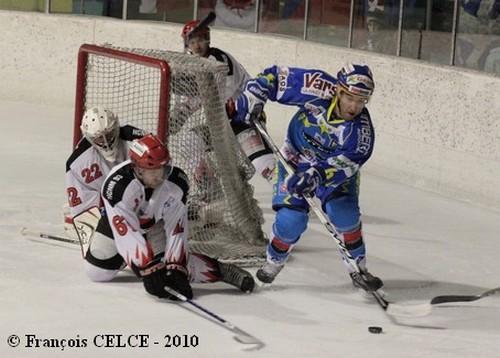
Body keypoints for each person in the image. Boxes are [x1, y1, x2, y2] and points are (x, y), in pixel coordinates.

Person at [233, 63, 383, 291]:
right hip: (294, 159)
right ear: (339, 90)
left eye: (361, 101)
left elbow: (344, 166)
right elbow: (275, 76)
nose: (354, 106)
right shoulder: (319, 86)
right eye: (350, 98)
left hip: (331, 173)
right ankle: (274, 262)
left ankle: (358, 267)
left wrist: (315, 176)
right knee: (290, 221)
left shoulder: (361, 134)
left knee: (344, 215)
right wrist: (256, 92)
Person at [84, 134, 255, 299]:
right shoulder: (117, 186)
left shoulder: (177, 182)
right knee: (97, 272)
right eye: (153, 170)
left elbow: (176, 227)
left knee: (172, 269)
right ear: (138, 169)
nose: (160, 175)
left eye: (163, 167)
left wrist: (176, 267)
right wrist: (147, 267)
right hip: (120, 227)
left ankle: (221, 270)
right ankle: (127, 259)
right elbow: (126, 232)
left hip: (154, 226)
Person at [181, 19, 276, 181]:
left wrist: (188, 108)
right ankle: (207, 184)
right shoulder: (193, 65)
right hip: (221, 125)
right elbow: (196, 97)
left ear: (208, 40)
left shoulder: (219, 60)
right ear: (187, 44)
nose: (197, 46)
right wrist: (181, 113)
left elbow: (222, 98)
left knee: (265, 167)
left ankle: (286, 194)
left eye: (200, 40)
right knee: (190, 140)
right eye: (193, 41)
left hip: (244, 120)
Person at [65, 107, 145, 241]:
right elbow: (83, 210)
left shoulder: (136, 140)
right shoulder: (77, 163)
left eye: (108, 135)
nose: (106, 143)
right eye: (99, 139)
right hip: (108, 210)